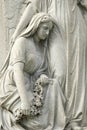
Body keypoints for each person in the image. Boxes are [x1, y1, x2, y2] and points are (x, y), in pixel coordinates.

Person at [9, 0, 87, 130]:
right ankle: (60, 117)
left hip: (76, 25)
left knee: (77, 74)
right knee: (60, 73)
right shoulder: (43, 31)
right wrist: (18, 31)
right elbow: (33, 6)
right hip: (54, 28)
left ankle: (74, 119)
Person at [0, 13, 66, 130]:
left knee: (53, 85)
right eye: (45, 28)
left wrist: (43, 75)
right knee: (35, 124)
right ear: (36, 25)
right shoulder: (22, 42)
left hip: (29, 84)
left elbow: (40, 70)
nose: (47, 33)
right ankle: (6, 116)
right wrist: (24, 100)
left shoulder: (41, 48)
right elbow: (17, 71)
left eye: (49, 30)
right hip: (14, 85)